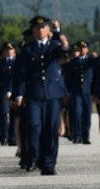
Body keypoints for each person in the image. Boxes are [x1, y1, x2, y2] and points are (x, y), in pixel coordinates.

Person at [12, 17, 70, 175]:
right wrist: (19, 94)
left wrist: (59, 33)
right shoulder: (27, 49)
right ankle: (34, 157)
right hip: (34, 94)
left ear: (48, 30)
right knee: (34, 126)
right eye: (36, 28)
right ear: (33, 30)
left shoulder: (55, 46)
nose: (39, 30)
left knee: (51, 129)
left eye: (43, 27)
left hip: (52, 94)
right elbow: (21, 74)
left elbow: (64, 52)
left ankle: (49, 162)